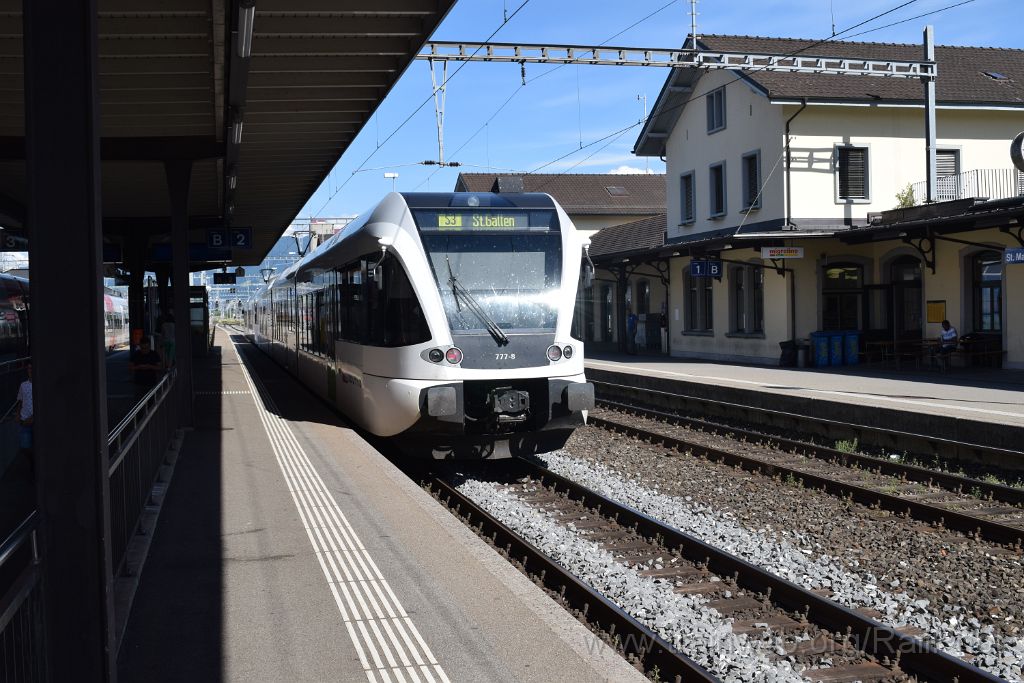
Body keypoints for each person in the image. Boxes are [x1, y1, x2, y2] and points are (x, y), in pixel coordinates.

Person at [13, 361, 32, 453]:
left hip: (35, 420)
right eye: (29, 368)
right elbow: (20, 400)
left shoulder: (40, 384)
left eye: (32, 368)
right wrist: (17, 414)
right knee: (24, 448)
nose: (30, 370)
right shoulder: (23, 385)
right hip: (24, 421)